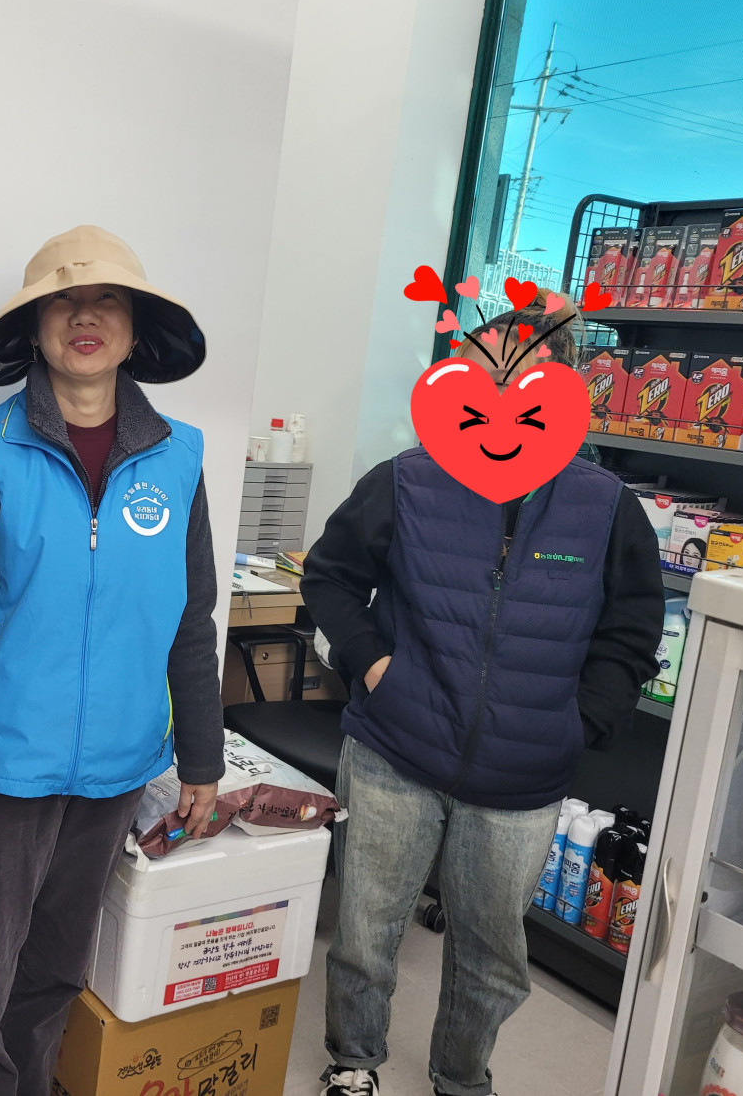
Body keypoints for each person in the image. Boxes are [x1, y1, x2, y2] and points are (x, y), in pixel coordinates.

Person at [302, 292, 664, 1096]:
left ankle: (461, 1078)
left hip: (523, 778)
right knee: (365, 930)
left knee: (493, 956)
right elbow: (329, 578)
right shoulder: (407, 481)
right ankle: (354, 1060)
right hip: (395, 751)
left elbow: (633, 630)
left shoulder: (605, 508)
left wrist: (579, 723)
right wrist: (376, 669)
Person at [0, 226, 227, 1093]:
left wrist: (202, 758)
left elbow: (190, 618)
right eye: (64, 301)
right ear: (35, 326)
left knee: (54, 973)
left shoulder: (179, 458)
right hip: (2, 776)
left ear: (135, 328)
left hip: (115, 770)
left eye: (107, 300)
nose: (85, 317)